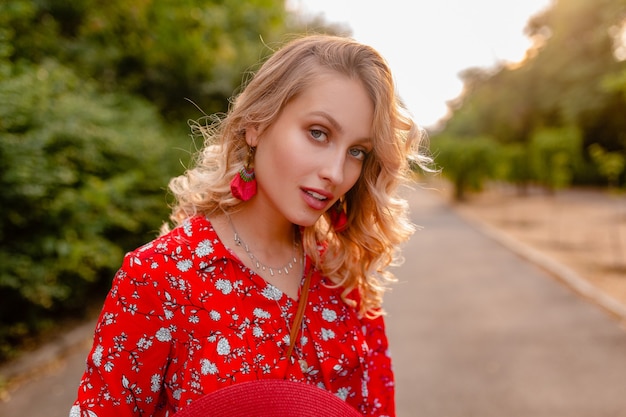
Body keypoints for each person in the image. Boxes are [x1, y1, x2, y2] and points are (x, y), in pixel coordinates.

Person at [70, 34, 431, 417]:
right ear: (256, 125)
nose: (336, 172)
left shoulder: (343, 276)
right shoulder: (162, 277)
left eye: (357, 151)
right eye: (318, 133)